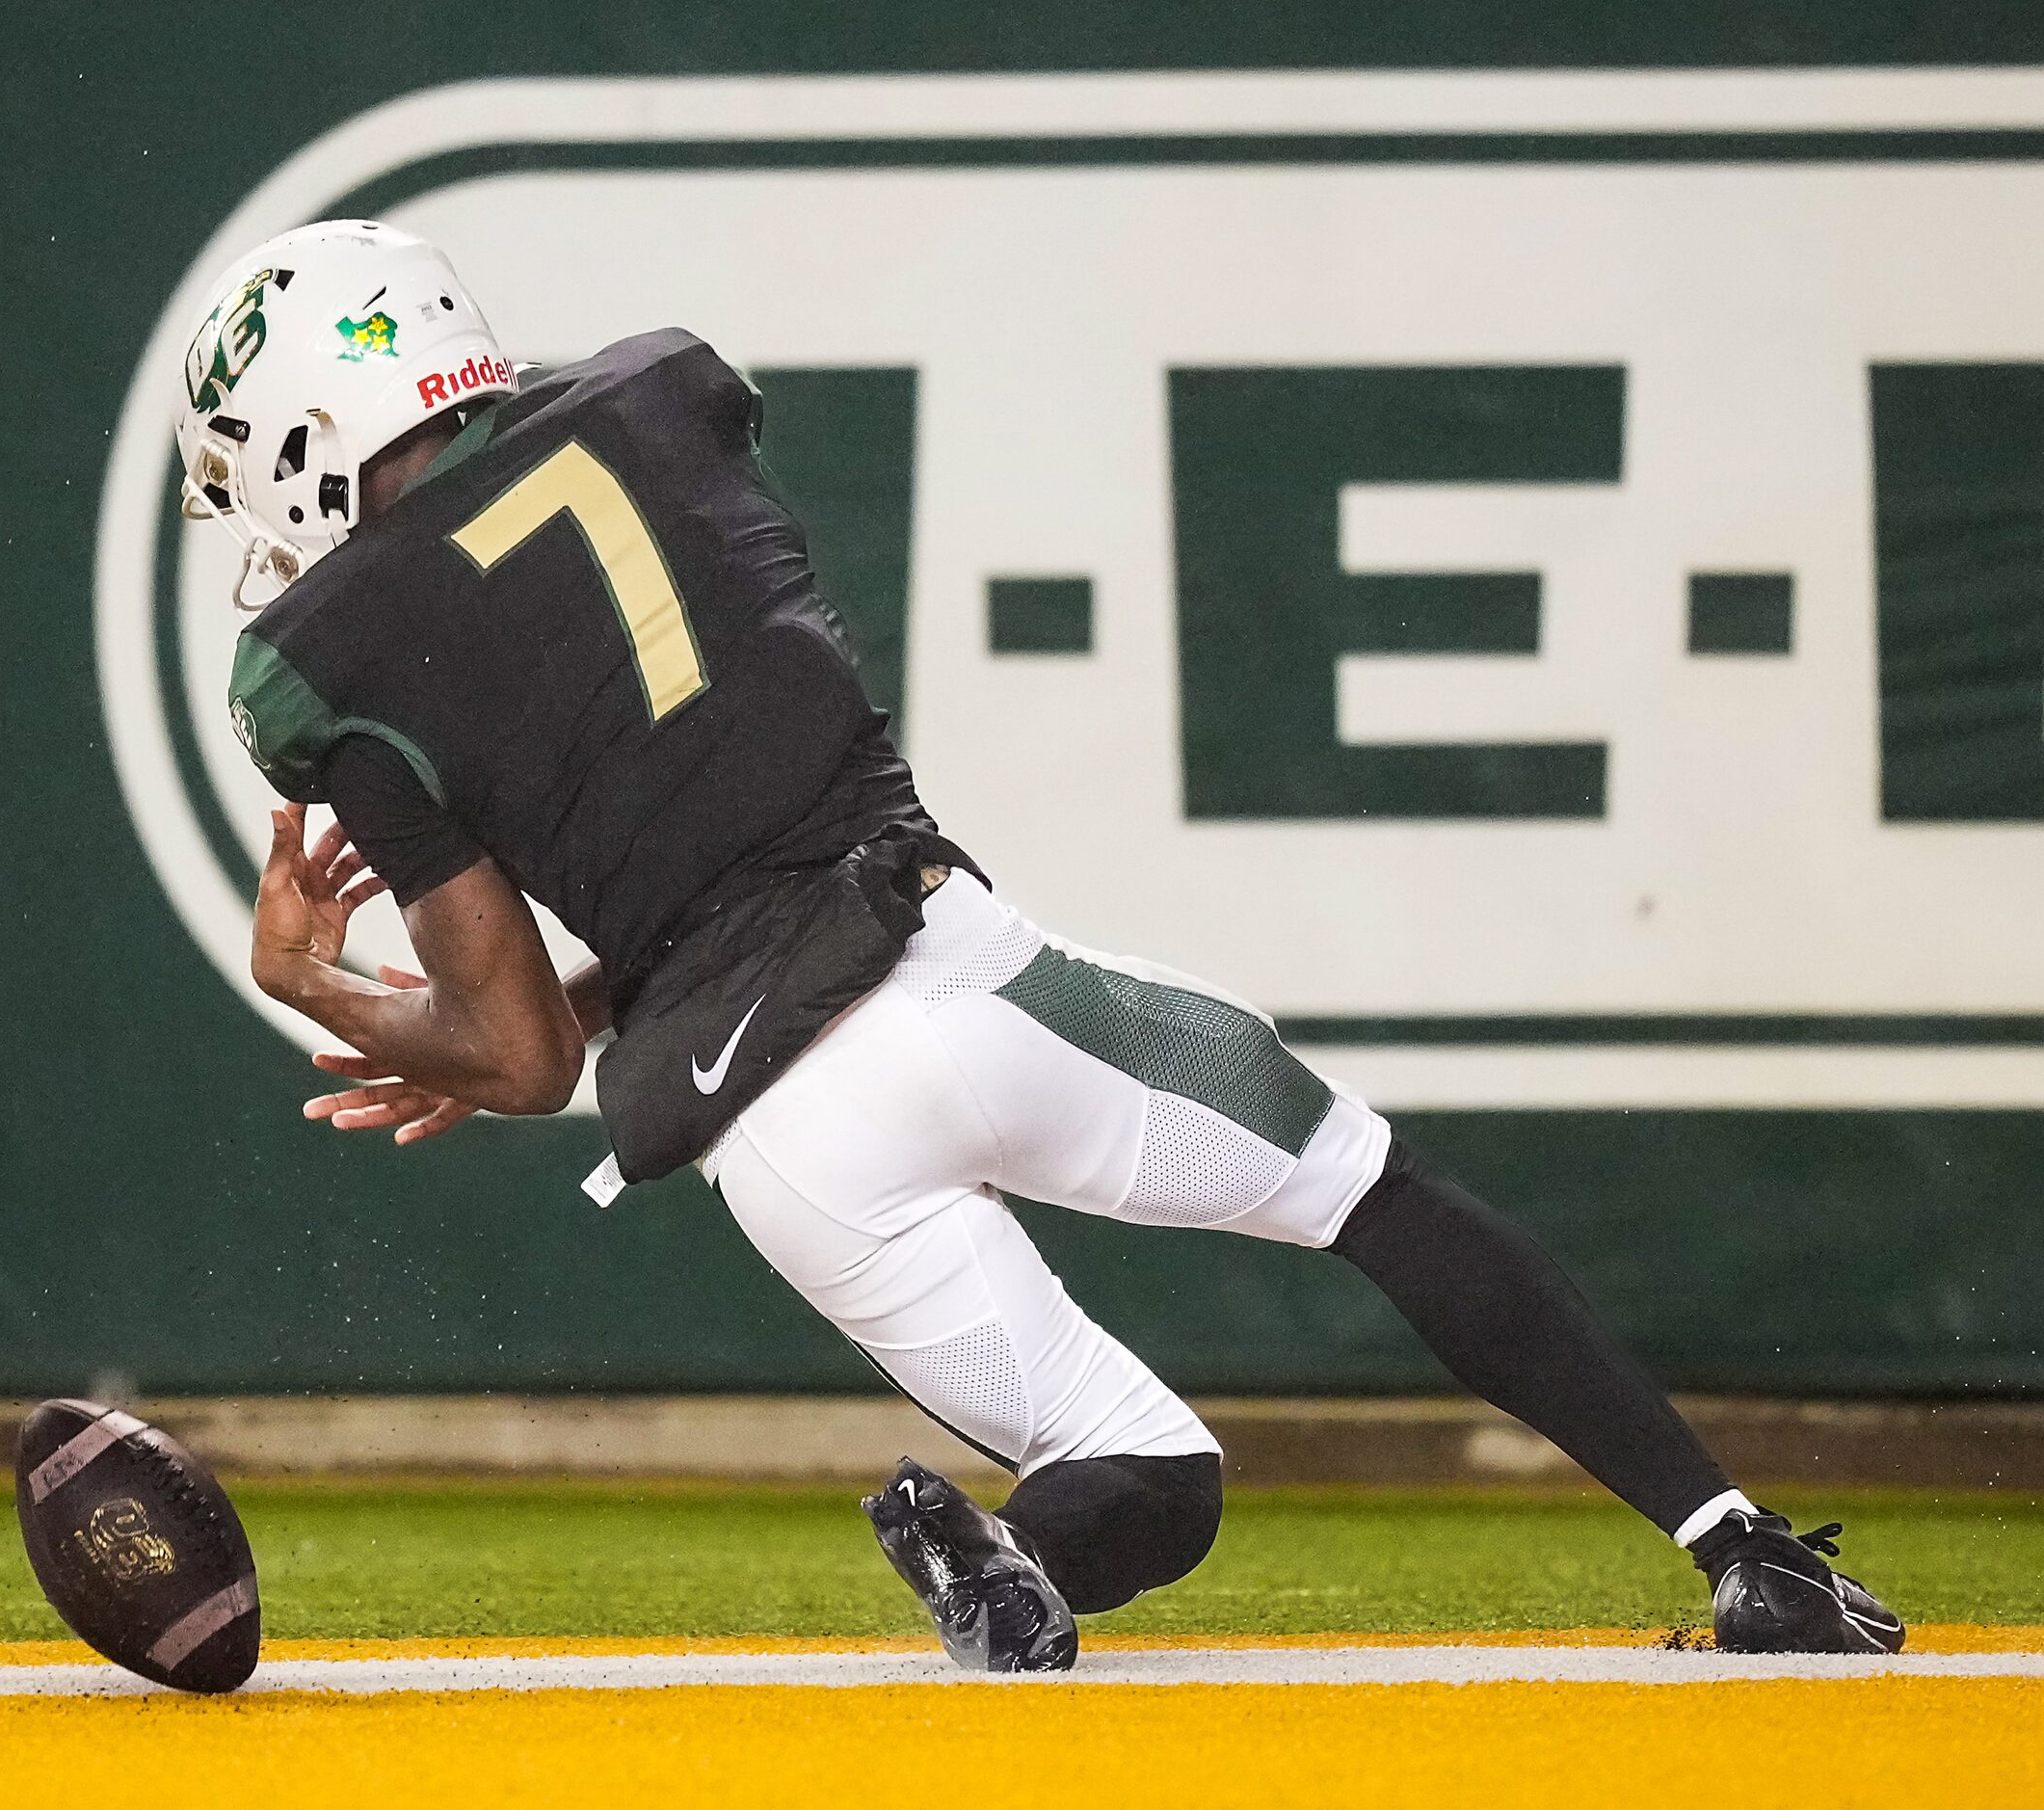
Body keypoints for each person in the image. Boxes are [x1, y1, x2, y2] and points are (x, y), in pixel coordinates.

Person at [188, 219, 1902, 1669]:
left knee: (1148, 1468)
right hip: (961, 975)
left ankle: (1023, 1560)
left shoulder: (326, 661)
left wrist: (329, 990)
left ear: (295, 435)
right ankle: (1746, 1550)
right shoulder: (655, 394)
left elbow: (526, 1057)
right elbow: (702, 817)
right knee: (1378, 1196)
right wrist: (498, 1013)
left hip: (786, 1145)